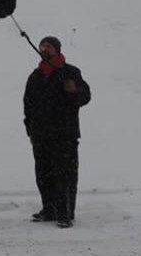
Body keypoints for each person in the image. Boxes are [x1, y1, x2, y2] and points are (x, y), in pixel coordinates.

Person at [23, 36, 91, 228]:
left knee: (65, 175)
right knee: (44, 175)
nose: (44, 49)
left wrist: (74, 92)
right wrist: (30, 129)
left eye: (49, 47)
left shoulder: (70, 72)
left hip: (65, 135)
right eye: (42, 46)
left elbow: (85, 96)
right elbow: (28, 105)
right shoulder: (35, 76)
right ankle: (49, 209)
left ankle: (65, 213)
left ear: (57, 50)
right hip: (40, 135)